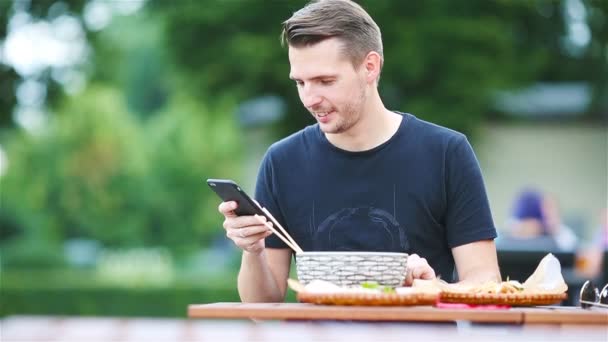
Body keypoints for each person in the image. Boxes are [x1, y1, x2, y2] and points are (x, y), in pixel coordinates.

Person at [218, 0, 501, 303]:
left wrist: (434, 287)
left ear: (370, 67)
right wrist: (253, 250)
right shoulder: (282, 162)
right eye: (300, 82)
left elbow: (486, 282)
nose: (309, 99)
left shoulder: (446, 153)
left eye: (325, 81)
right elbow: (261, 307)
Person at [503, 188, 578, 251]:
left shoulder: (562, 237)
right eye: (544, 209)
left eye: (551, 209)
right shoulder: (511, 233)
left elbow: (573, 247)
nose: (547, 214)